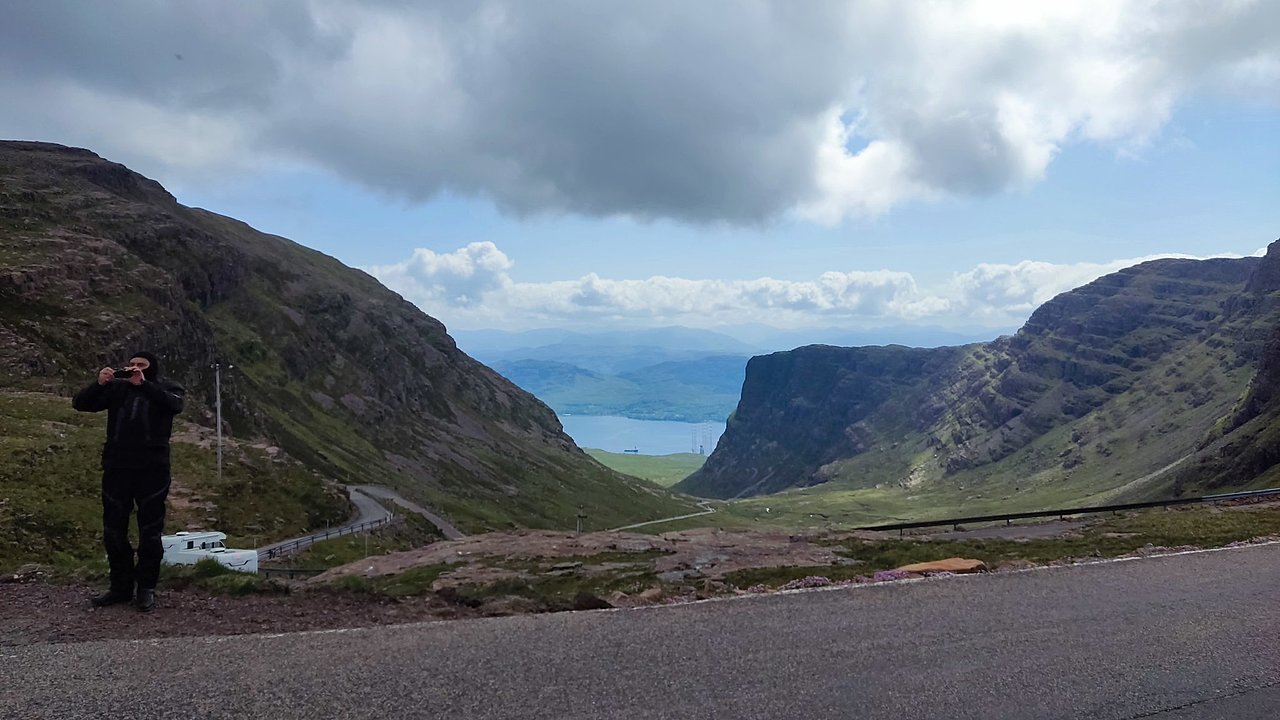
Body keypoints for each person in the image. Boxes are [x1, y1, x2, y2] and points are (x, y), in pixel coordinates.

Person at [72, 351, 185, 612]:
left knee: (150, 532)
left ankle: (146, 588)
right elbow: (81, 403)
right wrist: (99, 384)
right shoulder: (117, 389)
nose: (135, 368)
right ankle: (120, 587)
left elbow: (175, 405)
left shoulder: (167, 387)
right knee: (113, 531)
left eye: (141, 365)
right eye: (132, 365)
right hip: (117, 468)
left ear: (152, 368)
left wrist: (144, 385)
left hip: (153, 470)